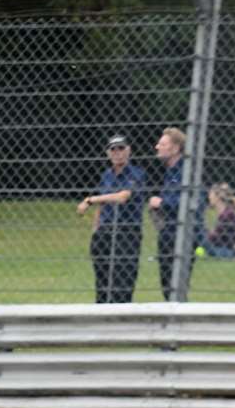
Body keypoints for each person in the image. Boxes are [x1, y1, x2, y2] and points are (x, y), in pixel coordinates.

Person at [78, 135, 147, 303]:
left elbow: (122, 196)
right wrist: (96, 230)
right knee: (102, 281)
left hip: (127, 232)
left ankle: (122, 316)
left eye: (121, 148)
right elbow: (103, 204)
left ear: (129, 150)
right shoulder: (106, 175)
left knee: (123, 281)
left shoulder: (137, 174)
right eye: (113, 149)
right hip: (105, 231)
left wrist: (90, 200)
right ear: (108, 153)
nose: (117, 153)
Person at [148, 127, 189, 300]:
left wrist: (161, 203)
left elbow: (186, 202)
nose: (157, 146)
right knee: (167, 286)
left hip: (181, 234)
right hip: (167, 233)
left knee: (176, 286)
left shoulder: (185, 172)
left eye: (162, 144)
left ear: (175, 148)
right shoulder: (169, 172)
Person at [200, 183, 235, 259]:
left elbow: (215, 239)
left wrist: (204, 230)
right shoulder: (225, 213)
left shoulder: (227, 215)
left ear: (217, 197)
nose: (209, 197)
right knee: (200, 235)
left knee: (200, 237)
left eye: (211, 194)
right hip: (224, 248)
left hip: (229, 251)